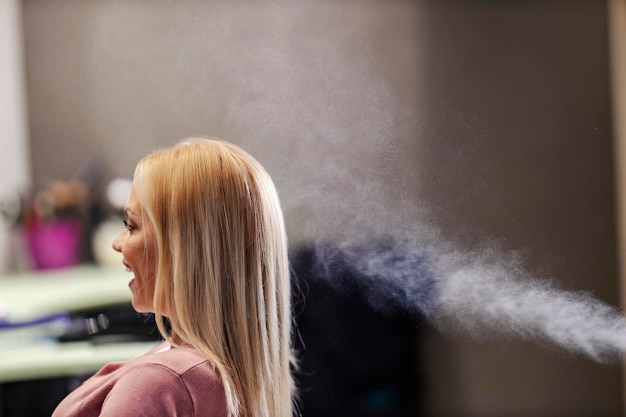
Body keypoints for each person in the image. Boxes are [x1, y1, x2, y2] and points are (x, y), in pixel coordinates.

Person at [52, 137, 296, 417]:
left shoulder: (157, 387)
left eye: (131, 226)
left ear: (182, 248)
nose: (117, 243)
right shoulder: (241, 376)